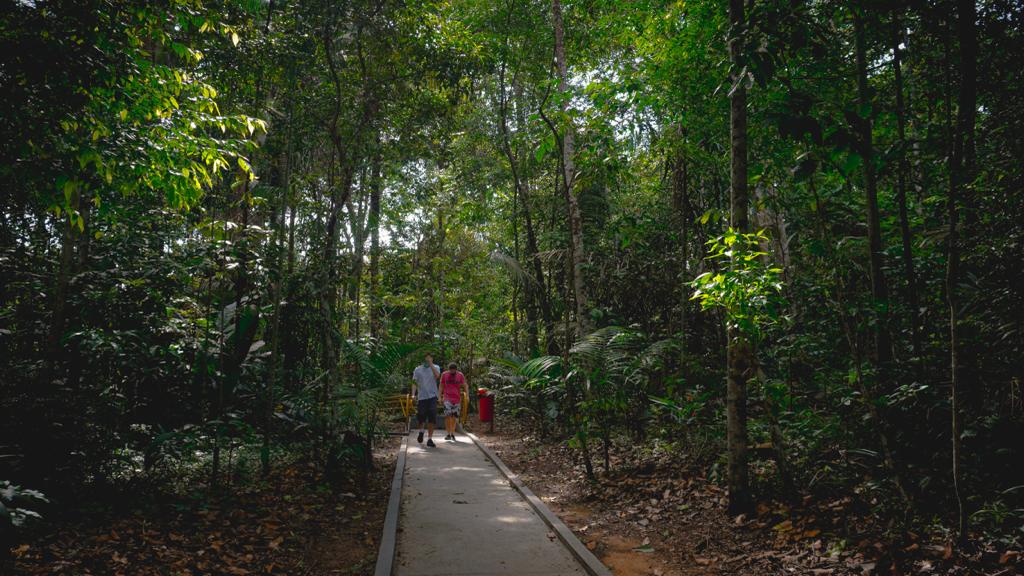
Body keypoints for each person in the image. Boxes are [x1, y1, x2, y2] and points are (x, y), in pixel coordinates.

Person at [411, 353, 441, 447]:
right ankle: (421, 432)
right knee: (421, 416)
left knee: (432, 415)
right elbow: (414, 382)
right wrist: (413, 394)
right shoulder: (418, 369)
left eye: (429, 357)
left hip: (432, 396)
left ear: (432, 358)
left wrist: (431, 364)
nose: (427, 359)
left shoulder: (436, 367)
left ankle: (430, 439)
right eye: (426, 357)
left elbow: (437, 376)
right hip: (422, 397)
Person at [440, 363, 468, 441]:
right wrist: (440, 396)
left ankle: (452, 433)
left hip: (456, 398)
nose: (452, 372)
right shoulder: (444, 374)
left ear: (456, 369)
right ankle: (448, 433)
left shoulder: (460, 375)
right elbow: (441, 385)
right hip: (447, 398)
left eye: (454, 370)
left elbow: (465, 385)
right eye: (451, 370)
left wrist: (467, 395)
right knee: (448, 416)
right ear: (449, 369)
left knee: (454, 417)